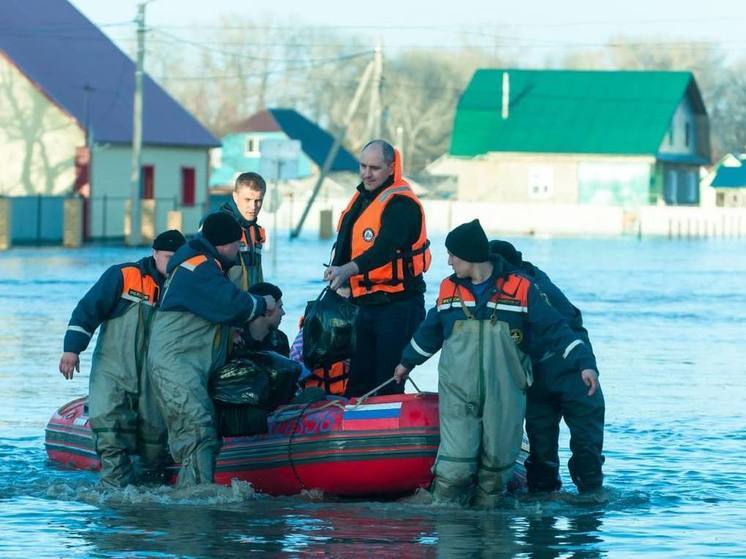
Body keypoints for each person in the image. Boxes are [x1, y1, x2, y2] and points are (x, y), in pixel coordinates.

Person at [393, 220, 599, 507]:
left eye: (453, 255)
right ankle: (449, 524)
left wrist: (584, 364)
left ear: (471, 256)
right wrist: (406, 362)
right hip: (459, 393)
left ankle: (494, 526)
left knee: (496, 470)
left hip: (505, 395)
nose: (449, 261)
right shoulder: (448, 290)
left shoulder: (522, 290)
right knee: (455, 466)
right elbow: (430, 331)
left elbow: (558, 329)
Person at [146, 213, 276, 488]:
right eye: (234, 245)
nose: (238, 250)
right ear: (220, 244)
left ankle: (193, 492)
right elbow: (231, 304)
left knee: (204, 429)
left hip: (187, 364)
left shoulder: (205, 265)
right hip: (177, 365)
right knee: (197, 428)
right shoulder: (199, 268)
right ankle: (195, 503)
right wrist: (263, 303)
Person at [59, 229, 186, 488]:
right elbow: (87, 310)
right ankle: (114, 500)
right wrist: (72, 349)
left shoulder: (186, 287)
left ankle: (147, 504)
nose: (172, 263)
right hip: (113, 371)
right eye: (167, 256)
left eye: (177, 258)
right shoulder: (125, 276)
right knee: (110, 433)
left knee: (154, 446)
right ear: (154, 253)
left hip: (156, 380)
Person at [490, 239, 605, 495]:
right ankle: (570, 500)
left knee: (583, 450)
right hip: (541, 377)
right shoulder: (519, 283)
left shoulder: (531, 289)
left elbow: (567, 328)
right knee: (544, 454)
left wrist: (586, 365)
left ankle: (583, 501)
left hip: (571, 375)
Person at [323, 139, 431, 397]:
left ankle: (390, 432)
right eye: (363, 166)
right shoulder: (362, 198)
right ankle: (353, 431)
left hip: (398, 305)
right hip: (366, 305)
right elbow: (347, 239)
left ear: (391, 168)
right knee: (358, 381)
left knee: (387, 382)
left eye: (375, 168)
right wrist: (337, 275)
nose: (366, 173)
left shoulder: (402, 205)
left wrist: (348, 270)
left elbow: (385, 248)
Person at [220, 172, 267, 290]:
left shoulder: (256, 231)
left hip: (251, 304)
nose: (253, 207)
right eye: (248, 200)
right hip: (227, 304)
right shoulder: (217, 226)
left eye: (258, 200)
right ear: (235, 197)